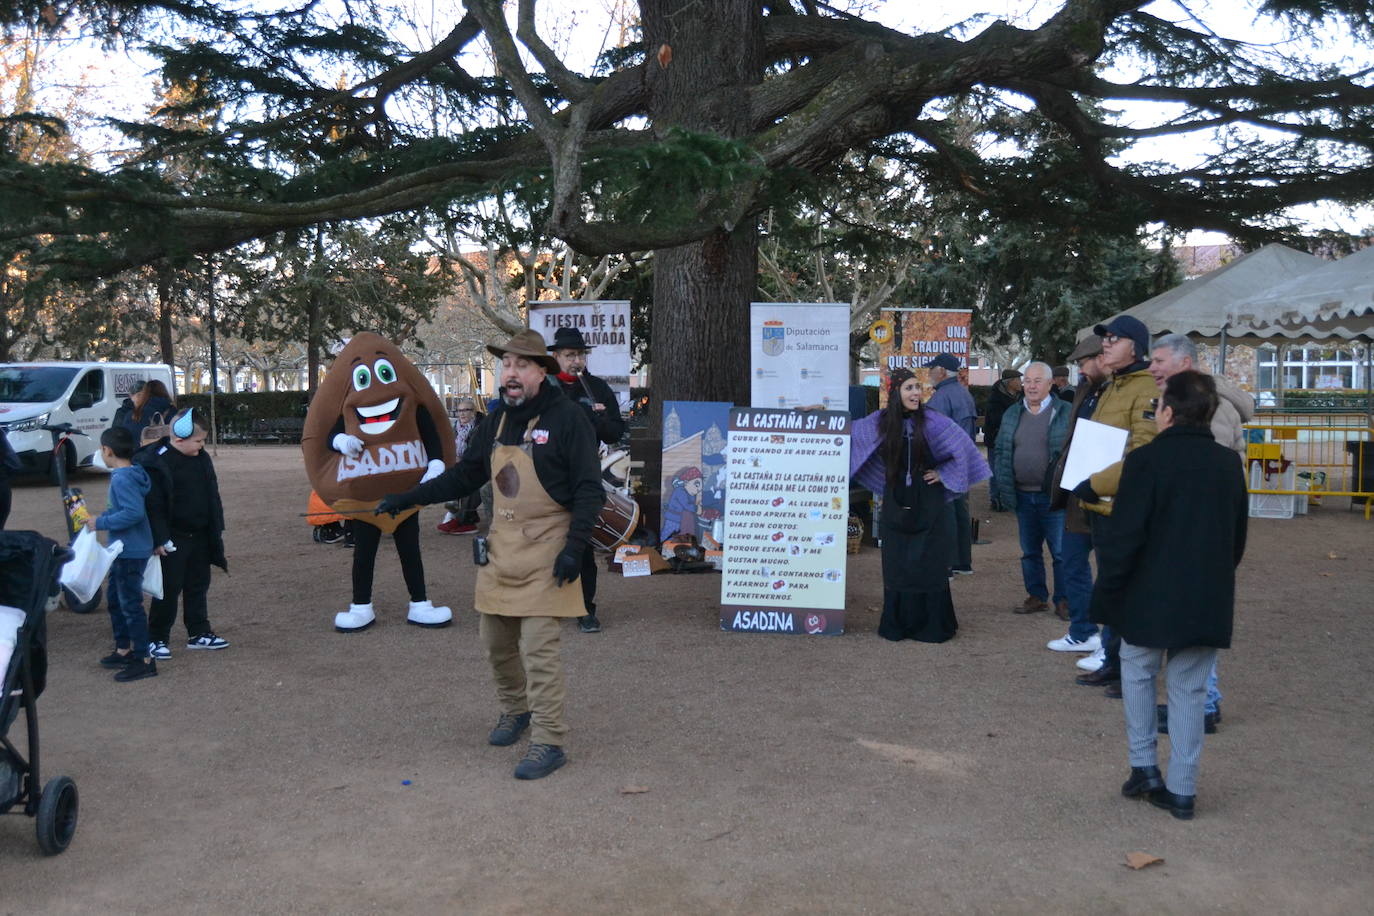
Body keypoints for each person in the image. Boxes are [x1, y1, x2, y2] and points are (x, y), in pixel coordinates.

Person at [376, 329, 603, 781]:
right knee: (496, 644)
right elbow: (464, 477)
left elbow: (589, 491)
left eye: (522, 365)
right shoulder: (495, 421)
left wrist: (575, 549)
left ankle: (549, 740)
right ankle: (514, 711)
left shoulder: (568, 418)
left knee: (539, 650)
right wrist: (407, 498)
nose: (510, 373)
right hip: (502, 549)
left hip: (548, 550)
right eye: (506, 365)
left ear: (543, 371)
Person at [1091, 371, 1247, 821]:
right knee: (1190, 689)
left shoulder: (1144, 463)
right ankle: (1182, 787)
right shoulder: (1227, 464)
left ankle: (1144, 768)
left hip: (1147, 593)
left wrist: (1110, 591)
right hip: (1205, 593)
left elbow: (1124, 539)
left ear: (1167, 413)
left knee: (1138, 674)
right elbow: (1236, 538)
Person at [1147, 333, 1254, 732]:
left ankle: (1204, 705)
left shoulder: (1215, 406)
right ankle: (1198, 701)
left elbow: (1210, 469)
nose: (1152, 367)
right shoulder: (1194, 398)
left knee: (1195, 619)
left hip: (1201, 532)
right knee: (1188, 617)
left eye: (1159, 360)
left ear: (1185, 363)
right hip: (1193, 529)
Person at [850, 368, 991, 643]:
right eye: (909, 388)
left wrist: (944, 474)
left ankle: (932, 626)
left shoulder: (934, 422)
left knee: (929, 562)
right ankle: (898, 624)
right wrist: (819, 413)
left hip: (929, 501)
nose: (916, 393)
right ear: (896, 394)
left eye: (918, 388)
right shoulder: (880, 422)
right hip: (896, 499)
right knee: (897, 562)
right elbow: (851, 432)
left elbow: (963, 450)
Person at [1069, 315, 1161, 696]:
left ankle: (1128, 673)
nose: (1105, 344)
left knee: (1124, 590)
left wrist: (1096, 484)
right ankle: (1112, 662)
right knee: (1110, 587)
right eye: (1105, 338)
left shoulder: (1145, 388)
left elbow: (1142, 453)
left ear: (1136, 347)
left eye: (1115, 338)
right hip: (1100, 504)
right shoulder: (1113, 385)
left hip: (1121, 506)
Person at [546, 326, 625, 634]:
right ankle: (545, 604)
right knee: (544, 542)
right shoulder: (544, 388)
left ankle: (585, 609)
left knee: (582, 544)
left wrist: (596, 420)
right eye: (569, 355)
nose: (575, 361)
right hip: (547, 475)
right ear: (556, 357)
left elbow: (616, 431)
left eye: (579, 355)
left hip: (584, 476)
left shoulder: (597, 388)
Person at [136, 409, 230, 660]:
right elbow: (153, 505)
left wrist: (214, 526)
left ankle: (199, 631)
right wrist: (159, 538)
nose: (201, 446)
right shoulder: (157, 462)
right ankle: (156, 637)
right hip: (172, 538)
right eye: (198, 441)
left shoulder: (201, 459)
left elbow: (212, 493)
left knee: (198, 585)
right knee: (168, 588)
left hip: (199, 534)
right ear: (179, 438)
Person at [991, 362, 1073, 621]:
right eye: (1028, 380)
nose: (1032, 385)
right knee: (1029, 551)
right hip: (1023, 495)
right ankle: (1037, 596)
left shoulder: (1066, 412)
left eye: (1038, 380)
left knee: (1060, 552)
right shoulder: (1012, 414)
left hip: (1055, 497)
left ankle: (1064, 600)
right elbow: (1003, 450)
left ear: (1051, 384)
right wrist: (1003, 487)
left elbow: (1076, 450)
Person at [1046, 335, 1109, 658]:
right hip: (1075, 489)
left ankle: (1109, 645)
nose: (1080, 371)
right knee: (1072, 563)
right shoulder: (1086, 390)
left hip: (1108, 492)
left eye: (1084, 364)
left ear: (1101, 358)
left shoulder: (1117, 391)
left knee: (1111, 571)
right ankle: (1082, 631)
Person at [89, 426, 159, 682]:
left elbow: (133, 513)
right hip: (126, 549)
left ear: (107, 451)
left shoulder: (122, 478)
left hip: (129, 550)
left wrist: (101, 523)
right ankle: (124, 649)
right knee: (117, 600)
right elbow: (125, 509)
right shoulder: (130, 473)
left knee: (129, 604)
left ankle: (143, 659)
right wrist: (102, 518)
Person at [922, 353, 979, 574]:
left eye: (931, 368)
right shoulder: (964, 395)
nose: (928, 373)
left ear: (942, 372)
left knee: (943, 515)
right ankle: (962, 563)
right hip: (962, 462)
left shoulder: (940, 398)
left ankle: (944, 566)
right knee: (959, 513)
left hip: (945, 464)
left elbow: (933, 437)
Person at [437, 397, 485, 536]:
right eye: (459, 411)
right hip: (464, 465)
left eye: (466, 410)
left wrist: (461, 459)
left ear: (474, 413)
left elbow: (477, 453)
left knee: (470, 480)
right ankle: (459, 515)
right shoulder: (456, 428)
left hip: (481, 466)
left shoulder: (480, 428)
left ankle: (464, 521)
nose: (462, 414)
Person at [114, 379, 176, 443]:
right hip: (165, 450)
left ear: (143, 394)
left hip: (141, 451)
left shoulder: (133, 414)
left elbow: (120, 438)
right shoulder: (173, 411)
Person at [982, 368, 1022, 462]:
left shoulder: (1020, 396)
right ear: (1010, 382)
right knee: (997, 472)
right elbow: (998, 420)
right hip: (997, 442)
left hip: (1013, 442)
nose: (1021, 382)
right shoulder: (995, 399)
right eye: (1018, 379)